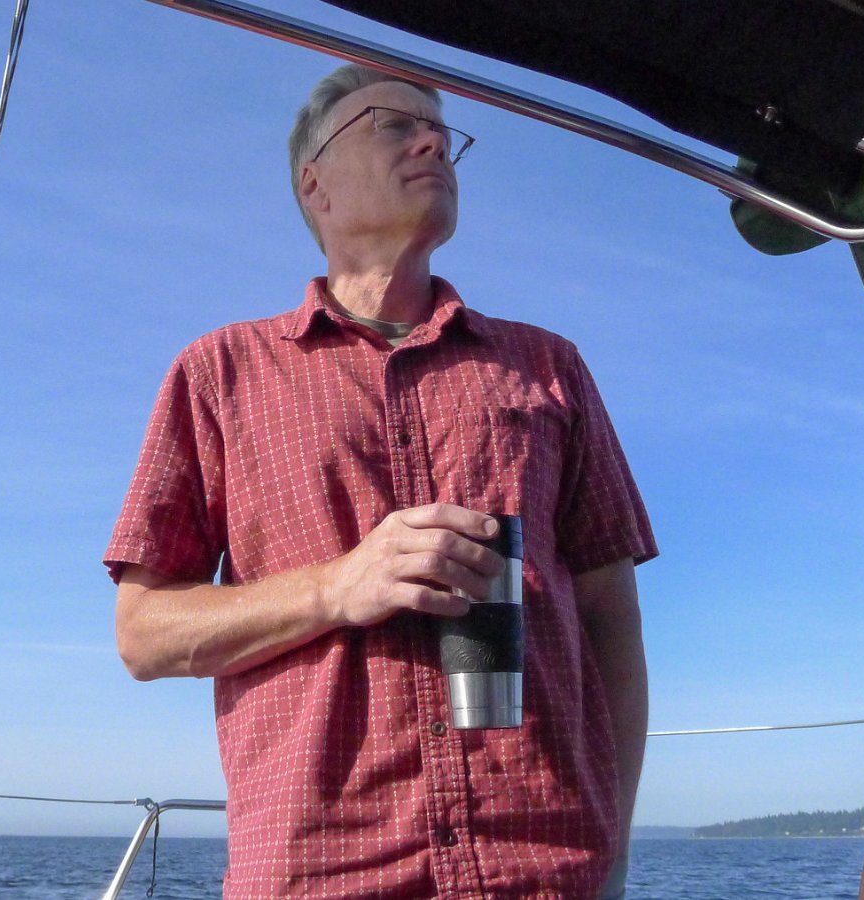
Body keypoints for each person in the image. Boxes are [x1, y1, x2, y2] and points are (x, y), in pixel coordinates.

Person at [105, 63, 657, 899]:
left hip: (542, 872)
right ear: (314, 183)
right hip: (318, 873)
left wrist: (612, 850)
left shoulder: (550, 367)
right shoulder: (218, 372)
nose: (432, 141)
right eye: (394, 125)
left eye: (441, 132)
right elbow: (143, 634)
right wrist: (338, 586)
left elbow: (611, 618)